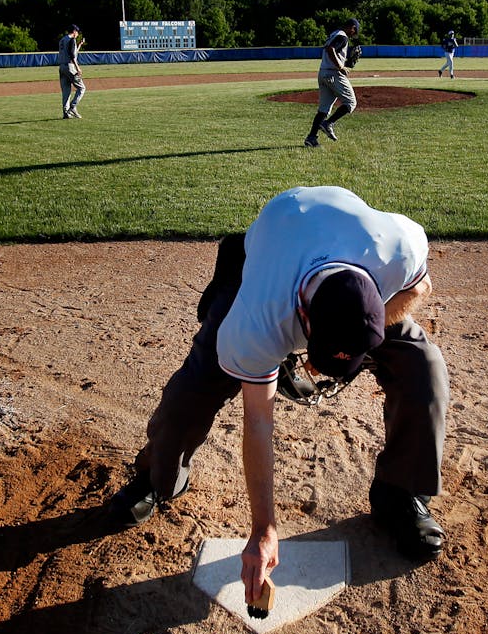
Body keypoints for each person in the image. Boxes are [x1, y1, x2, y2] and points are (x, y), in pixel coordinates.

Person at [107, 186, 451, 602]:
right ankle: (157, 476)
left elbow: (418, 289)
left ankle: (401, 493)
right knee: (195, 389)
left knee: (423, 366)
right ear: (302, 318)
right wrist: (263, 530)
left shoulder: (400, 250)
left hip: (349, 269)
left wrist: (369, 327)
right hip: (267, 258)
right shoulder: (258, 317)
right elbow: (259, 419)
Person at [304, 18, 361, 148]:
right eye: (354, 31)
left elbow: (332, 53)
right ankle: (328, 123)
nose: (353, 34)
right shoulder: (343, 36)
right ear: (351, 27)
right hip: (333, 74)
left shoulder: (335, 34)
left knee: (323, 109)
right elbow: (331, 49)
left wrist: (348, 63)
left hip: (323, 72)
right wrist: (341, 67)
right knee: (351, 102)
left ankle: (311, 138)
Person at [58, 24, 85, 118]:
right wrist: (78, 68)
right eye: (77, 32)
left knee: (66, 91)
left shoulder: (62, 40)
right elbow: (73, 56)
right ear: (74, 31)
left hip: (62, 67)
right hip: (70, 67)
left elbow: (71, 52)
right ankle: (73, 106)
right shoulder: (72, 40)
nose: (77, 34)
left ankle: (66, 113)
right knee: (82, 88)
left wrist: (80, 45)